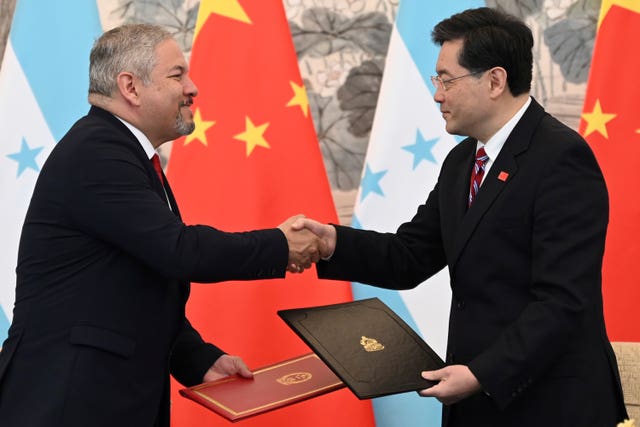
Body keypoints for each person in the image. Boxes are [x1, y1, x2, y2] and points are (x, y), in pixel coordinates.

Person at [294, 7, 628, 427]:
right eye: (437, 80)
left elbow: (562, 301)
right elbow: (411, 254)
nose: (437, 94)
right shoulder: (462, 160)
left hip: (547, 402)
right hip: (477, 399)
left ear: (494, 81)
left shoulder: (561, 158)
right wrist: (331, 242)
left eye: (446, 80)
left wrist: (481, 375)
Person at [0, 24, 319, 427]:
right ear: (130, 87)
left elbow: (140, 285)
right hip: (68, 402)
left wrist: (199, 360)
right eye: (177, 74)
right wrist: (280, 245)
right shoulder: (97, 151)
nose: (193, 87)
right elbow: (180, 251)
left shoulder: (125, 154)